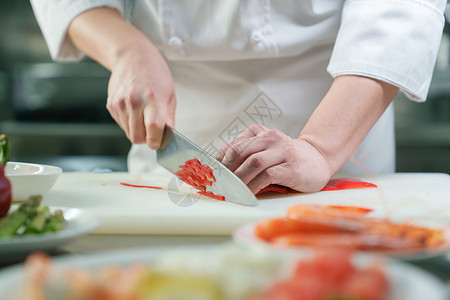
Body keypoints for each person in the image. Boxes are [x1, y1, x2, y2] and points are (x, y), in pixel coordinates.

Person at [30, 0, 446, 194]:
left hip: (338, 123)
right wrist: (125, 49)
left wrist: (320, 148)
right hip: (178, 136)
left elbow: (398, 9)